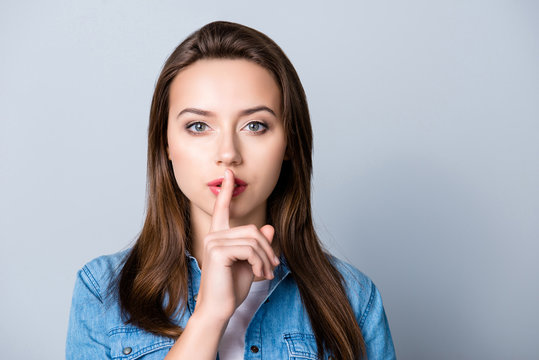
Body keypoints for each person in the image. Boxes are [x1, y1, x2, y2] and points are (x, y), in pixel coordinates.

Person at [66, 20, 396, 360]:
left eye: (255, 125)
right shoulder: (102, 291)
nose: (228, 153)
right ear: (165, 143)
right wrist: (209, 316)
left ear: (289, 143)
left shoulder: (355, 299)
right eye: (198, 126)